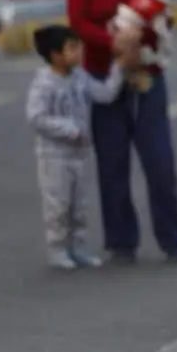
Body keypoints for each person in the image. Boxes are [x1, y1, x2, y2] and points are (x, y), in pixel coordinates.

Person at [67, 0, 177, 265]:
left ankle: (174, 240)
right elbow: (78, 21)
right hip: (104, 77)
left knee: (159, 161)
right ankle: (121, 241)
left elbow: (164, 17)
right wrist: (114, 44)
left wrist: (148, 41)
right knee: (112, 162)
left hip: (147, 76)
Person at [26, 25, 127, 270]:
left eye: (78, 46)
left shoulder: (80, 77)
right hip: (54, 155)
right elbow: (36, 118)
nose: (79, 52)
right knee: (58, 204)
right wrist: (69, 129)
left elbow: (104, 94)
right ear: (55, 54)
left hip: (80, 154)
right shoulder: (44, 84)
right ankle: (58, 249)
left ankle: (79, 248)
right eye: (72, 48)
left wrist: (119, 68)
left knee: (79, 205)